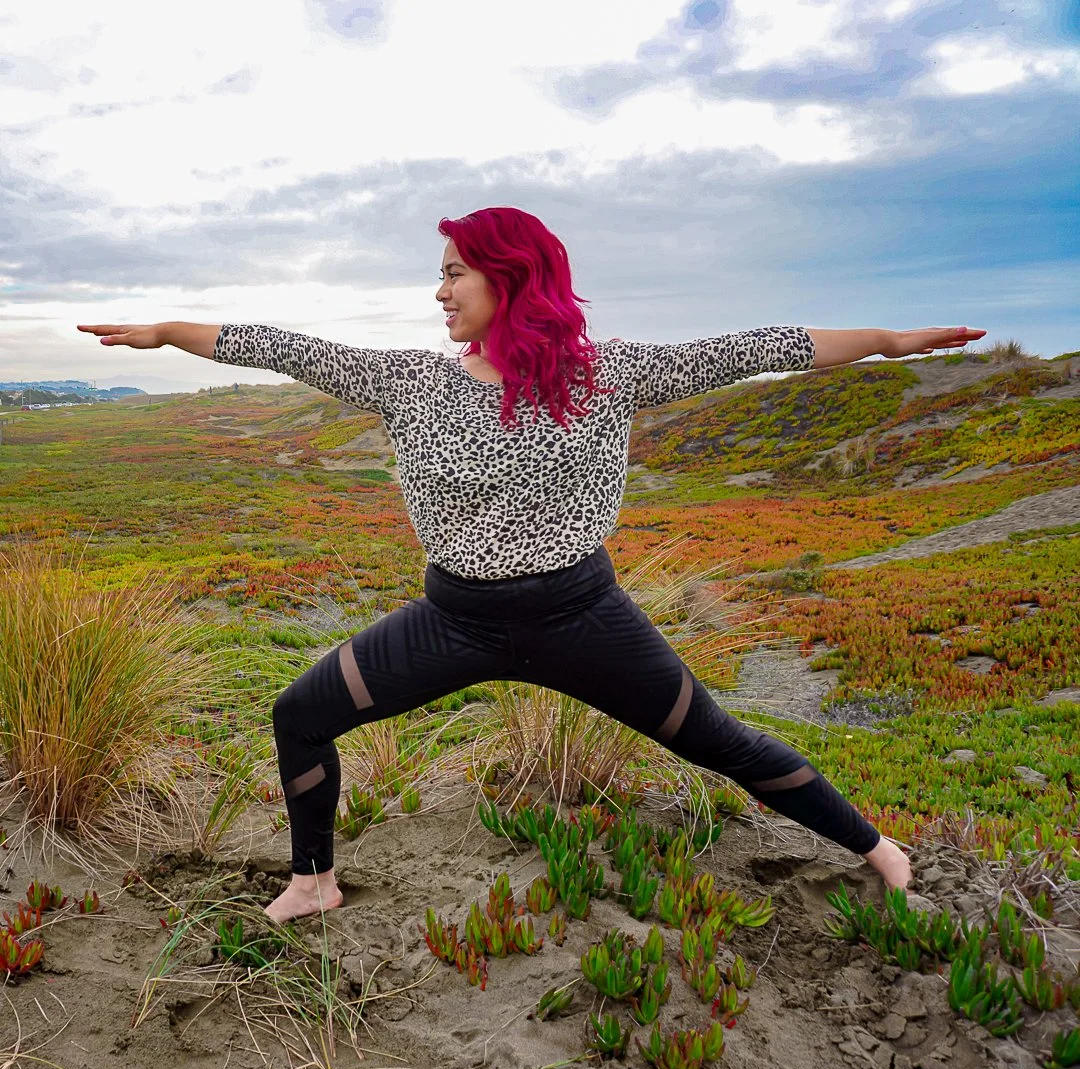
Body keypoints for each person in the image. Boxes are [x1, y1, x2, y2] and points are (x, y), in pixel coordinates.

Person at [77, 206, 986, 924]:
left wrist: (889, 343)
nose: (438, 293)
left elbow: (762, 349)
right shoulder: (409, 380)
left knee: (722, 744)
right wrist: (167, 330)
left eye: (452, 272)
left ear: (508, 276)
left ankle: (878, 851)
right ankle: (314, 880)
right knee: (299, 714)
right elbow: (283, 348)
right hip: (452, 621)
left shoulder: (606, 374)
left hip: (584, 620)